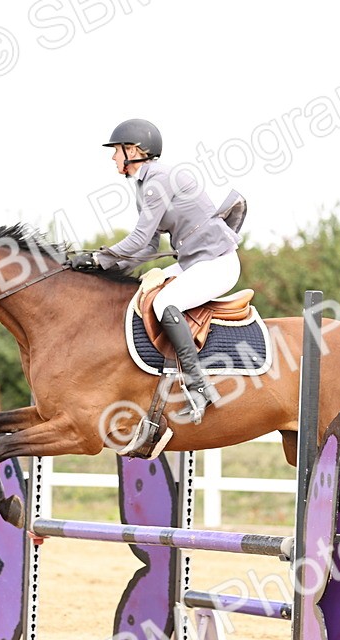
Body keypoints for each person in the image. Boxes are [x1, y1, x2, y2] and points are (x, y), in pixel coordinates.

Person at [70, 119, 241, 423]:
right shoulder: (143, 185)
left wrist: (99, 259)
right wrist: (107, 271)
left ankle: (199, 386)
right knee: (143, 291)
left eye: (116, 151)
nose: (113, 157)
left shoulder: (158, 180)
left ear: (134, 150)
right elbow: (148, 247)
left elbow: (137, 240)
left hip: (217, 263)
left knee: (164, 303)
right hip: (195, 262)